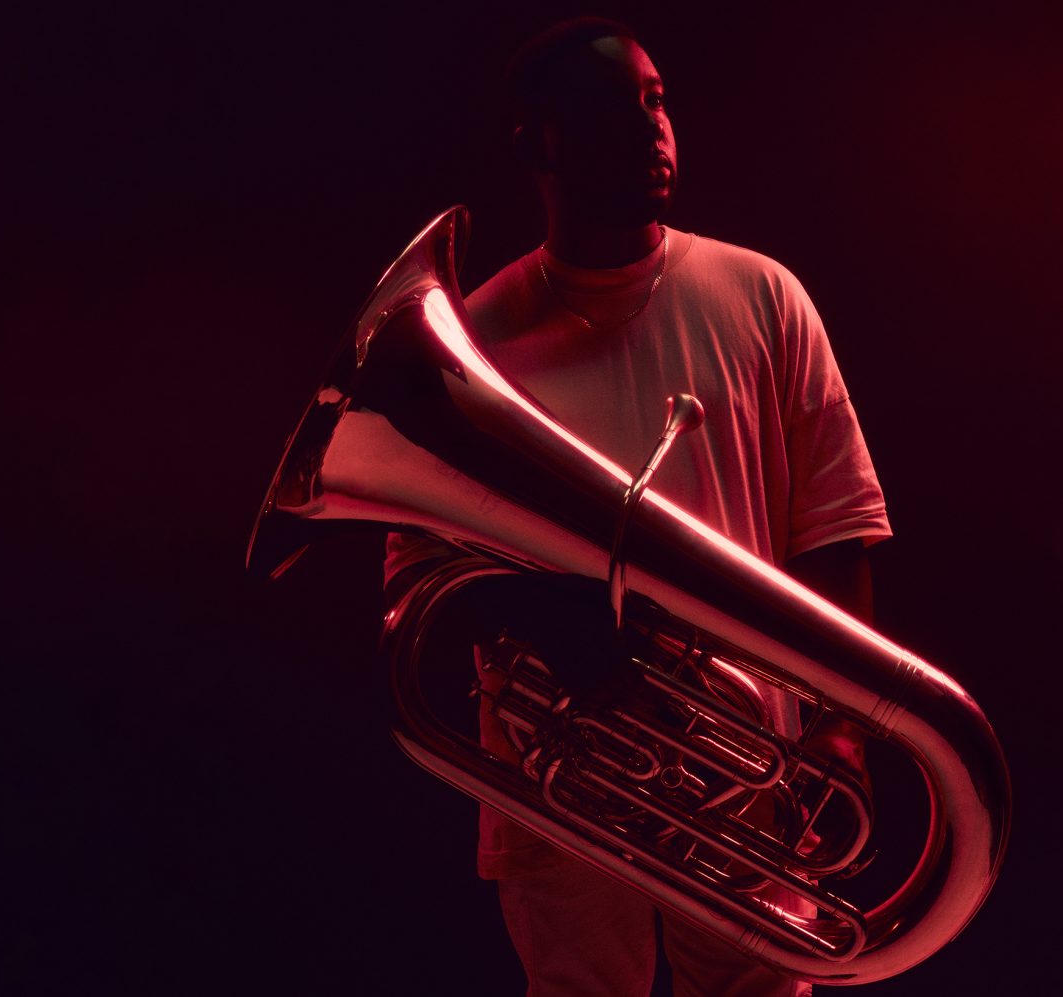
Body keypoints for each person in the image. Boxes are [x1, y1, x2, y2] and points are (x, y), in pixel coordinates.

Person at [386, 17, 891, 997]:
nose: (652, 131)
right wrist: (542, 623)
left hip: (752, 777)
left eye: (657, 102)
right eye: (611, 111)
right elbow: (420, 593)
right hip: (557, 781)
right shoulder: (473, 341)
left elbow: (834, 528)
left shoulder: (762, 294)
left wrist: (840, 734)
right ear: (541, 142)